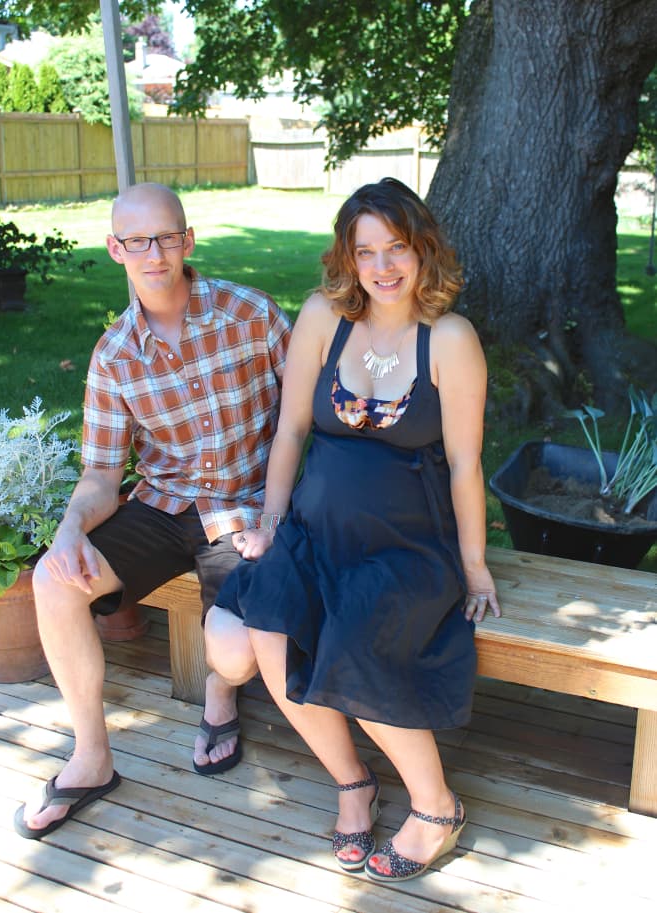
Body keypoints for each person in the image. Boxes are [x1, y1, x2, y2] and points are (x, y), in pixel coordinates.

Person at [209, 177, 501, 883]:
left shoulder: (449, 339)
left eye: (396, 247)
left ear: (423, 249)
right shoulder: (323, 317)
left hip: (407, 544)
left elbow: (466, 464)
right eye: (365, 251)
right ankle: (352, 781)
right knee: (264, 625)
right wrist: (272, 524)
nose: (382, 266)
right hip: (314, 530)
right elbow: (291, 430)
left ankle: (436, 806)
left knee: (356, 635)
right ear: (347, 258)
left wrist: (475, 564)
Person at [13, 182, 291, 840]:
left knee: (236, 655)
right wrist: (69, 531)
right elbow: (102, 473)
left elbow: (305, 413)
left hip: (245, 510)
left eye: (166, 237)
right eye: (137, 241)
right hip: (163, 506)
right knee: (54, 578)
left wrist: (284, 514)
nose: (155, 253)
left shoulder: (251, 314)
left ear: (188, 240)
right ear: (116, 249)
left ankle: (221, 689)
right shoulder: (114, 355)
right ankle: (91, 758)